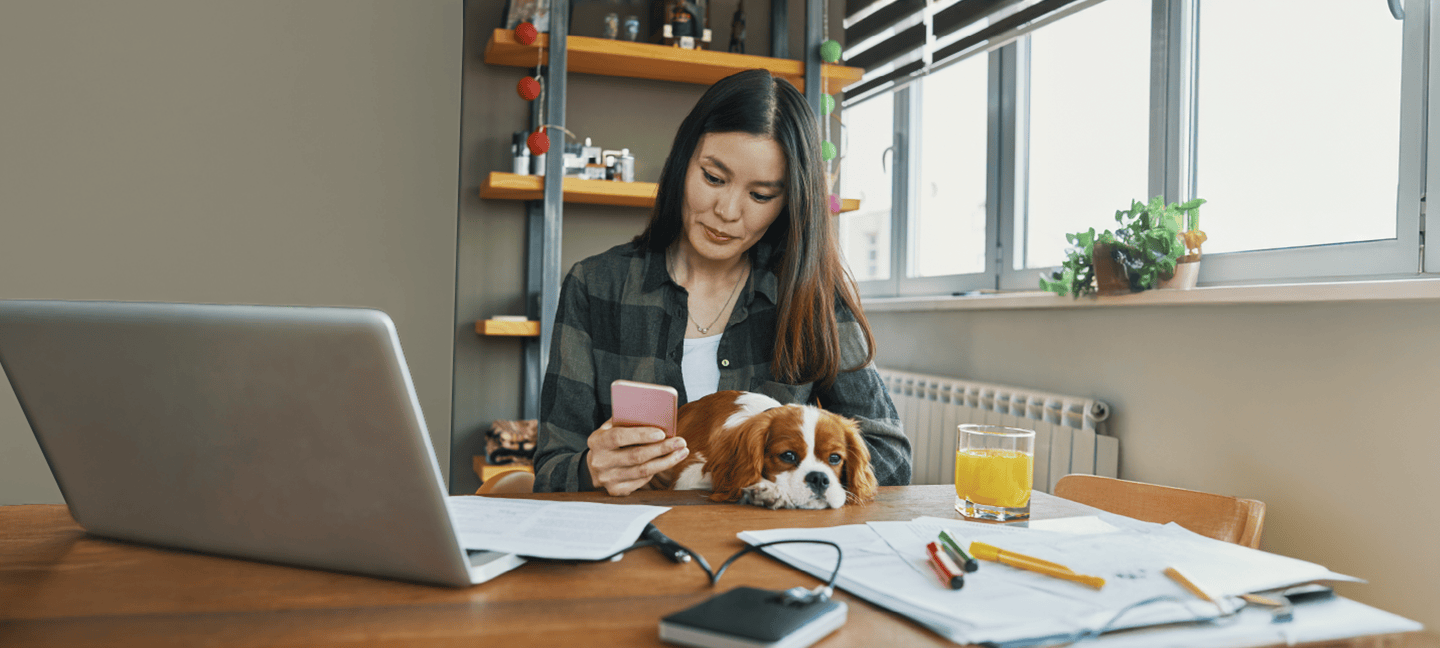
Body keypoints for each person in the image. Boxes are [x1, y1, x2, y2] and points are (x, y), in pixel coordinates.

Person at [533, 68, 911, 496]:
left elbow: (891, 457)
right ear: (683, 163)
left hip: (769, 538)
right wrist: (592, 469)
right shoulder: (595, 286)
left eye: (761, 195)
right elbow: (551, 470)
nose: (728, 211)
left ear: (789, 201)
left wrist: (788, 478)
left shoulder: (812, 295)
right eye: (713, 178)